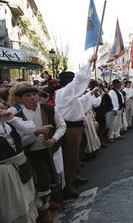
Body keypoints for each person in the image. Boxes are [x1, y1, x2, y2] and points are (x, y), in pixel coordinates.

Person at [14, 86, 67, 222]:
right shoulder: (17, 118)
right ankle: (44, 208)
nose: (33, 98)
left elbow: (62, 126)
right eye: (28, 96)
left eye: (34, 94)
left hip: (52, 149)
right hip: (34, 153)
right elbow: (20, 142)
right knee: (42, 180)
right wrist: (36, 133)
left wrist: (54, 139)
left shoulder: (49, 109)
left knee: (56, 175)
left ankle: (51, 201)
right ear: (20, 99)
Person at [55, 53, 97, 199]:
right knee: (70, 157)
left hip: (77, 127)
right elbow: (79, 81)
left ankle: (74, 177)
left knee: (76, 156)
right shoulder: (63, 93)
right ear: (68, 83)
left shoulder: (69, 95)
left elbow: (81, 102)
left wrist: (91, 92)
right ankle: (68, 186)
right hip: (70, 129)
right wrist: (89, 62)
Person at [0, 99, 38, 223]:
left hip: (21, 165)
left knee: (27, 196)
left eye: (1, 108)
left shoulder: (9, 124)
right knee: (14, 202)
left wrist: (12, 118)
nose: (1, 111)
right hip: (5, 173)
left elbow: (30, 128)